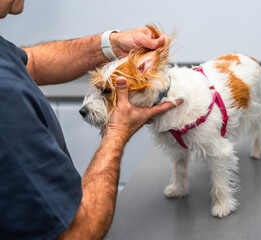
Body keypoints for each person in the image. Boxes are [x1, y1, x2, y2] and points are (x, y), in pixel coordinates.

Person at [0, 1, 181, 239]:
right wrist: (116, 133)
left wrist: (110, 44)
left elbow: (29, 62)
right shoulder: (5, 96)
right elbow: (79, 232)